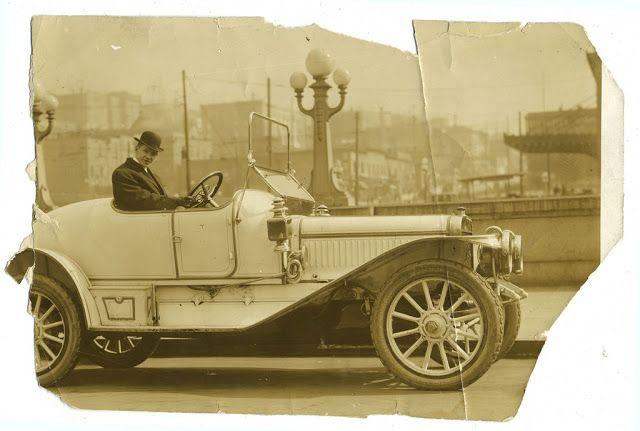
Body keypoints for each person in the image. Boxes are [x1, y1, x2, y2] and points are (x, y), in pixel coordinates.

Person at [112, 131, 194, 211]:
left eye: (153, 154)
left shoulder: (153, 176)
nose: (148, 156)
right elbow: (143, 200)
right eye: (145, 151)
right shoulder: (123, 173)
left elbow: (161, 199)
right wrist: (177, 201)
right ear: (137, 148)